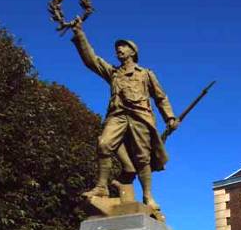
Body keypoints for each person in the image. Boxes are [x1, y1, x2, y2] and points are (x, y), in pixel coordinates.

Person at [71, 17, 178, 210]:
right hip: (117, 115)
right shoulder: (113, 73)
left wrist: (169, 117)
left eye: (123, 47)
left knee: (142, 157)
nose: (118, 49)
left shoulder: (145, 74)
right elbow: (91, 59)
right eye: (117, 47)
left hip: (141, 116)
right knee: (104, 144)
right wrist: (79, 33)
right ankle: (102, 186)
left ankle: (147, 196)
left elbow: (161, 97)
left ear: (133, 52)